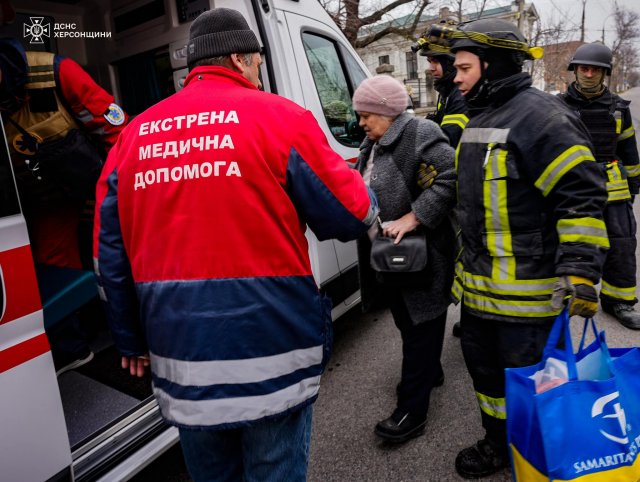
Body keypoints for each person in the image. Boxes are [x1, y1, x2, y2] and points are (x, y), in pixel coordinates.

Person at [93, 8, 377, 481]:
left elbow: (110, 258)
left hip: (182, 357)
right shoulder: (282, 117)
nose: (260, 72)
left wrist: (129, 339)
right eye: (259, 62)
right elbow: (353, 215)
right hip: (272, 351)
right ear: (241, 59)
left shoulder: (133, 137)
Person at [441, 19, 609, 478]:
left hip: (528, 300)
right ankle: (499, 442)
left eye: (463, 68)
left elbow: (581, 196)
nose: (456, 77)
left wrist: (580, 270)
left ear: (492, 65)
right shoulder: (483, 116)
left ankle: (540, 451)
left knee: (536, 382)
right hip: (480, 294)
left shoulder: (542, 118)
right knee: (487, 378)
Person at [0, 37, 128, 374]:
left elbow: (117, 135)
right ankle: (72, 348)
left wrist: (119, 197)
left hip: (98, 184)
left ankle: (135, 333)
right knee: (50, 261)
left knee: (116, 252)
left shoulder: (54, 72)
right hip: (46, 199)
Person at [352, 75, 456, 444]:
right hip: (392, 258)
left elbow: (451, 176)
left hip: (423, 257)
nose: (361, 123)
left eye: (366, 115)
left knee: (420, 326)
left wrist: (415, 216)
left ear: (386, 111)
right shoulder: (373, 142)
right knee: (406, 321)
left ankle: (412, 412)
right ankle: (430, 371)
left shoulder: (419, 133)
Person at [558, 42, 640, 330]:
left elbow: (628, 150)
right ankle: (559, 298)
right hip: (570, 185)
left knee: (622, 243)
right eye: (584, 68)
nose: (589, 74)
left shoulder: (618, 108)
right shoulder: (558, 106)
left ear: (605, 73)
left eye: (595, 70)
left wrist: (633, 186)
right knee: (563, 242)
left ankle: (619, 301)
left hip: (612, 188)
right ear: (575, 70)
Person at [419, 33, 469, 338]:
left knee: (466, 254)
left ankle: (473, 317)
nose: (430, 67)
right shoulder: (448, 93)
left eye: (435, 61)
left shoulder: (458, 96)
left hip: (464, 187)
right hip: (459, 183)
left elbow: (448, 139)